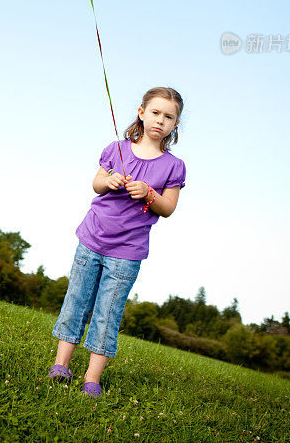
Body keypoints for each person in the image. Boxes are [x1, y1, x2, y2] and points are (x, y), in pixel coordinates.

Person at [47, 86, 186, 397]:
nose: (160, 120)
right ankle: (61, 366)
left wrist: (150, 193)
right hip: (92, 238)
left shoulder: (173, 166)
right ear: (141, 113)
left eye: (168, 117)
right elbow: (97, 183)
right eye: (155, 112)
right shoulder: (116, 149)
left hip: (127, 251)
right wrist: (108, 181)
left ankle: (91, 379)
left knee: (107, 312)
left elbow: (168, 208)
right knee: (76, 302)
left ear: (175, 125)